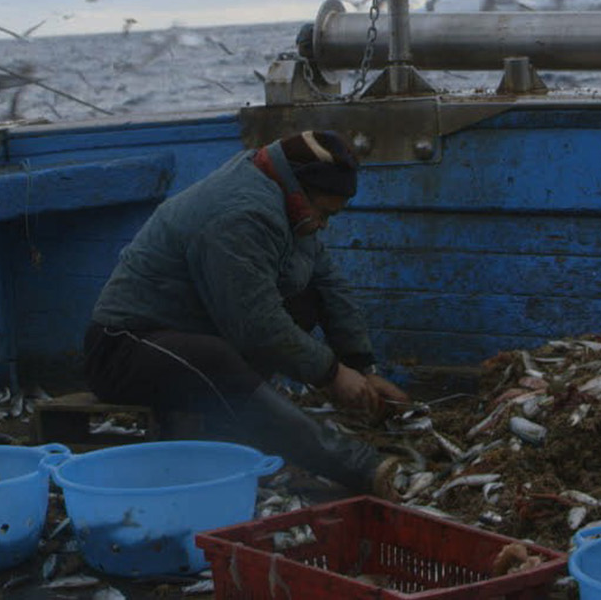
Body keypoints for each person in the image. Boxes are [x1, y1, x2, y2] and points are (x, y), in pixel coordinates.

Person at [85, 129, 412, 498]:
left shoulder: (286, 196)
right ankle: (355, 465)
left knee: (304, 300)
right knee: (217, 357)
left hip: (197, 332)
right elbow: (256, 326)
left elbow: (329, 284)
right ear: (299, 191)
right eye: (323, 213)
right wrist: (332, 374)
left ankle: (236, 429)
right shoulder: (240, 213)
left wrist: (362, 368)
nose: (323, 224)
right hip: (125, 347)